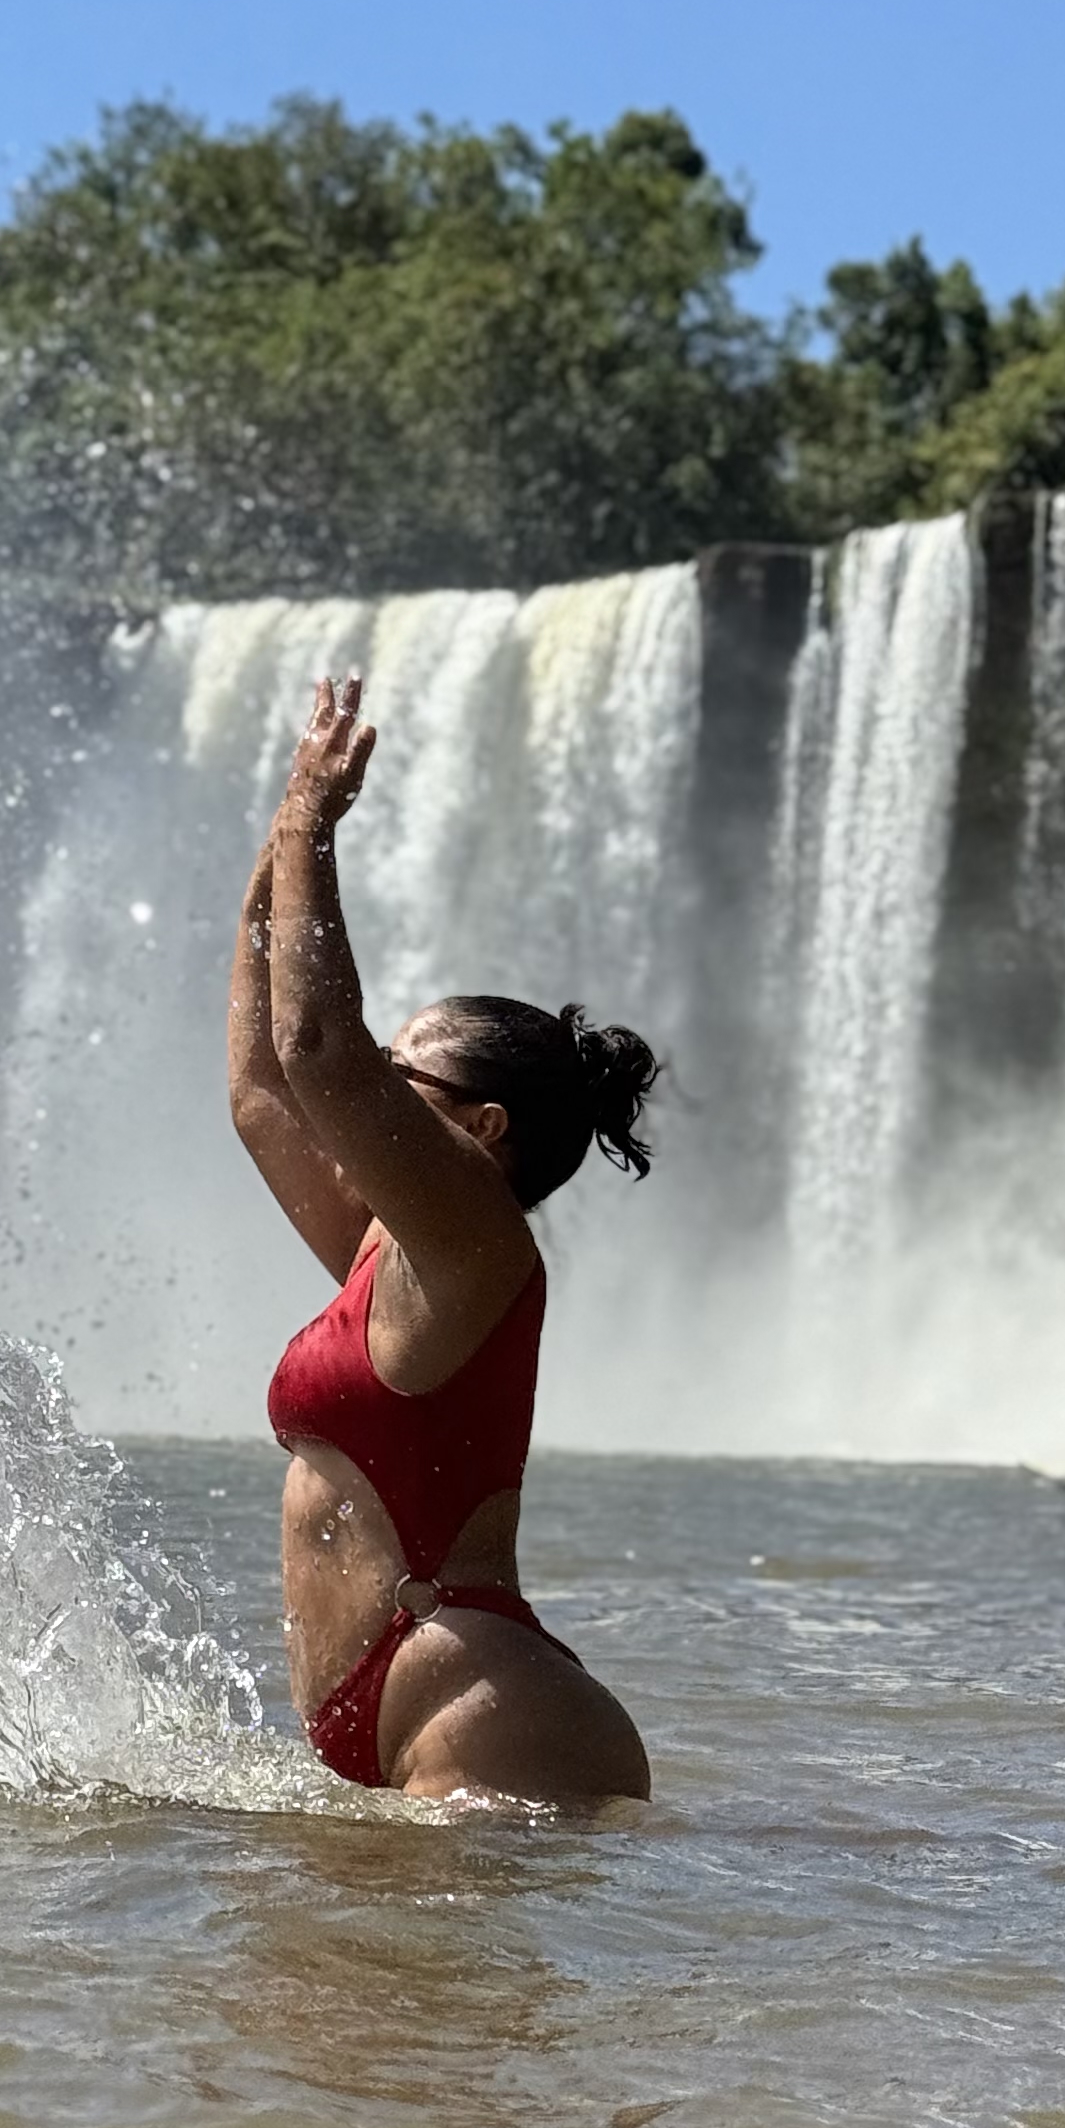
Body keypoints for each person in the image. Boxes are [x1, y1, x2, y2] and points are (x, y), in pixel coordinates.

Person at [230, 673, 655, 1804]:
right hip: (396, 1702)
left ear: (484, 1128)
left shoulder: (479, 1248)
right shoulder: (392, 1255)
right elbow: (269, 1092)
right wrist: (276, 857)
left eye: (400, 1071)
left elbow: (321, 1049)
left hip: (480, 1704)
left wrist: (317, 822)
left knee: (422, 1991)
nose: (371, 1088)